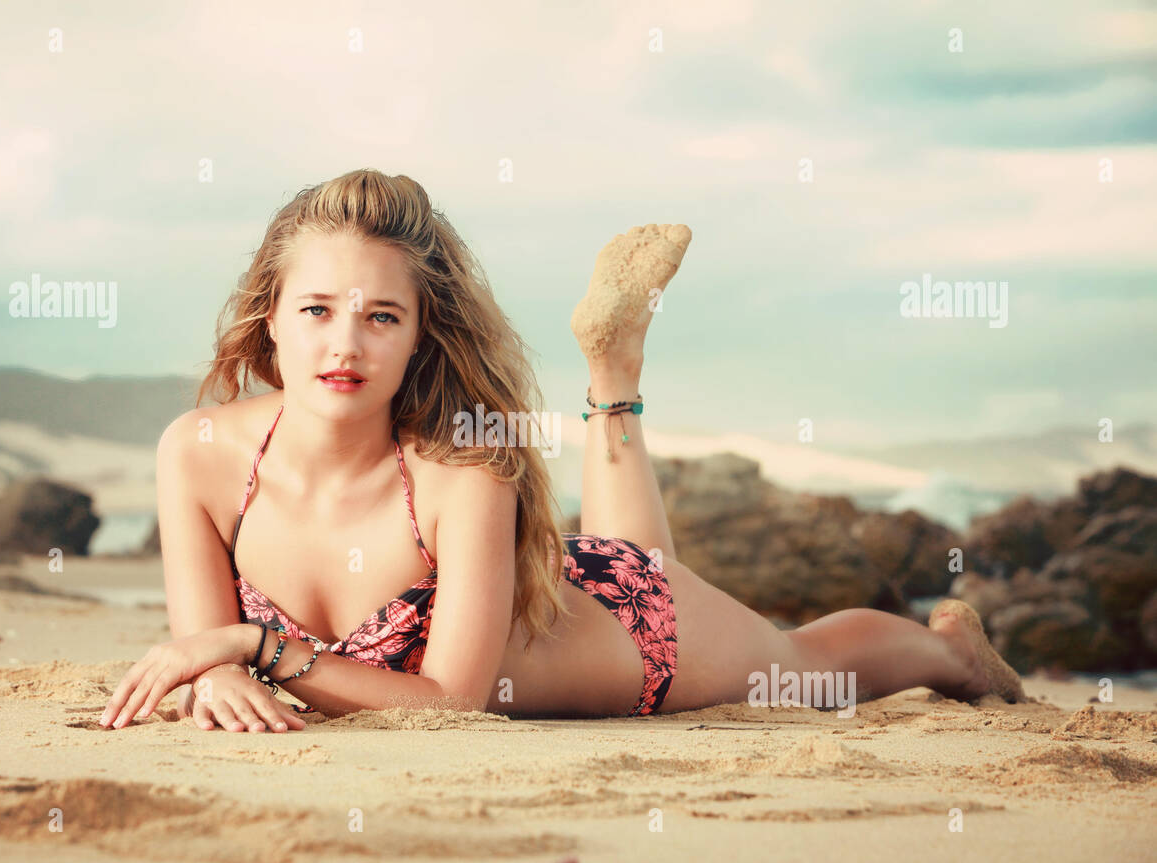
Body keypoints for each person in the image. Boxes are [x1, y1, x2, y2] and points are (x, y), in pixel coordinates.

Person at [101, 169, 1025, 733]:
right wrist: (218, 663)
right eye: (317, 311)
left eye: (383, 316)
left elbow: (450, 707)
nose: (345, 346)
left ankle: (953, 658)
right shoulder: (198, 453)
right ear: (270, 316)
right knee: (635, 555)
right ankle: (613, 377)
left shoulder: (465, 471)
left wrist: (252, 648)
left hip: (636, 638)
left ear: (423, 335)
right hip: (549, 583)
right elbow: (200, 651)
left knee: (805, 668)